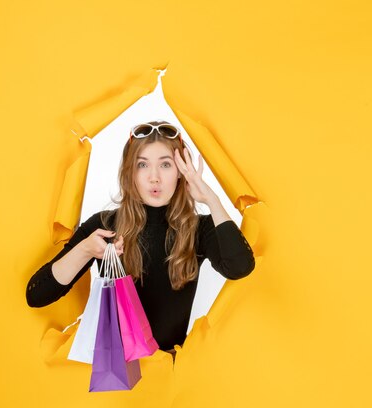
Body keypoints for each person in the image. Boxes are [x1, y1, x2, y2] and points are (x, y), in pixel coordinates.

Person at [26, 120, 255, 361]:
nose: (154, 178)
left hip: (170, 378)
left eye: (165, 165)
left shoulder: (199, 228)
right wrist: (85, 249)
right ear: (130, 172)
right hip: (117, 380)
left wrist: (210, 198)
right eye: (142, 165)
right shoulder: (104, 227)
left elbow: (240, 267)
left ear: (180, 172)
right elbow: (37, 295)